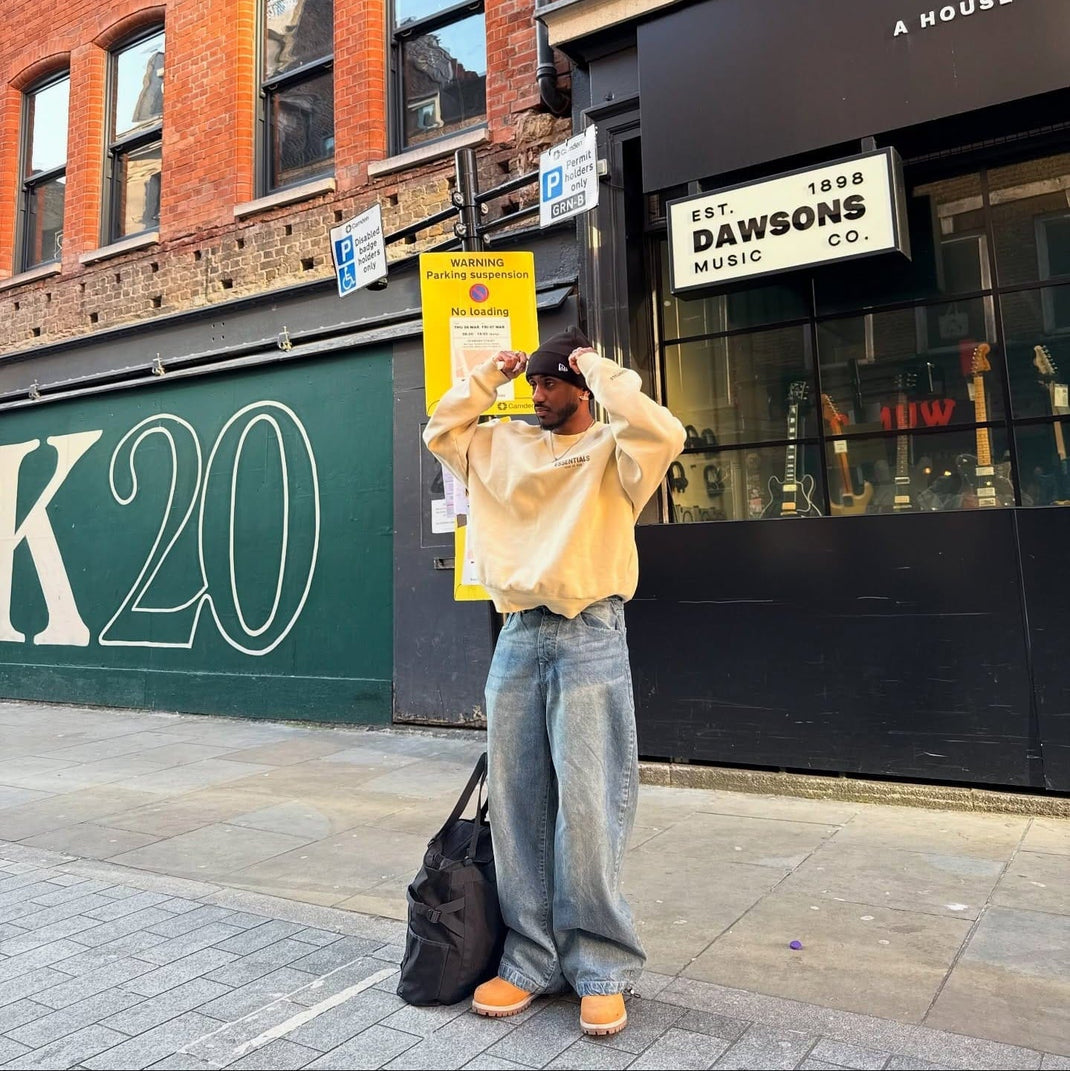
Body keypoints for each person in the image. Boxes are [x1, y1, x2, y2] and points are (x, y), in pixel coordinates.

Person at [422, 325, 685, 1037]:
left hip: (590, 630)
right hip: (516, 634)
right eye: (533, 381)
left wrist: (597, 364)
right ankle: (531, 958)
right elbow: (440, 427)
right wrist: (490, 374)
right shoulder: (500, 443)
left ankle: (601, 964)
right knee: (516, 805)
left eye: (551, 380)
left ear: (580, 387)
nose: (538, 392)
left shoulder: (614, 453)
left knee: (591, 802)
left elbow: (664, 429)